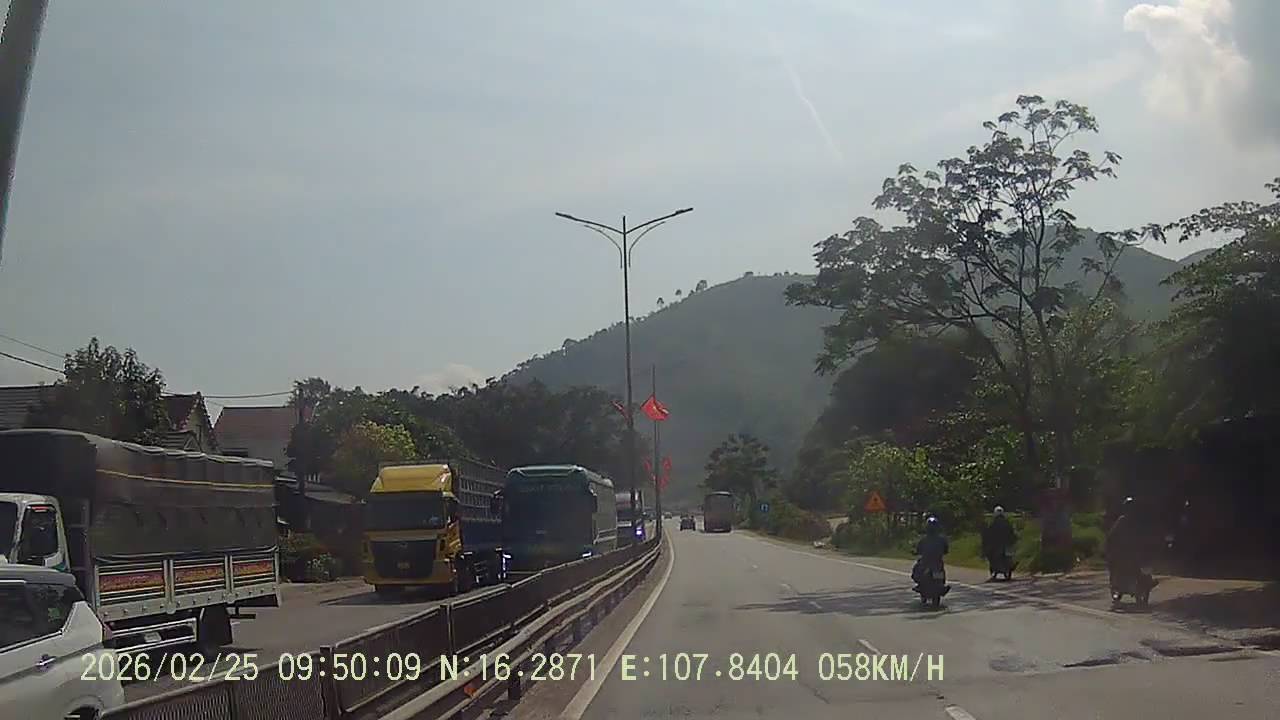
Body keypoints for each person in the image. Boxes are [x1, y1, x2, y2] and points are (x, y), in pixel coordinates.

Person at [912, 516, 949, 587]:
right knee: (919, 567)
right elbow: (946, 550)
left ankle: (923, 583)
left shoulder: (924, 540)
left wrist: (916, 552)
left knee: (919, 566)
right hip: (935, 561)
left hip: (930, 561)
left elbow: (918, 550)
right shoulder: (941, 540)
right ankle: (938, 583)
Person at [982, 506, 1018, 578]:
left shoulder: (994, 523)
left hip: (998, 544)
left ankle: (1003, 566)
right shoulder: (1006, 522)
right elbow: (1012, 532)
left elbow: (989, 533)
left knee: (989, 553)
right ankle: (1008, 565)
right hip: (1006, 543)